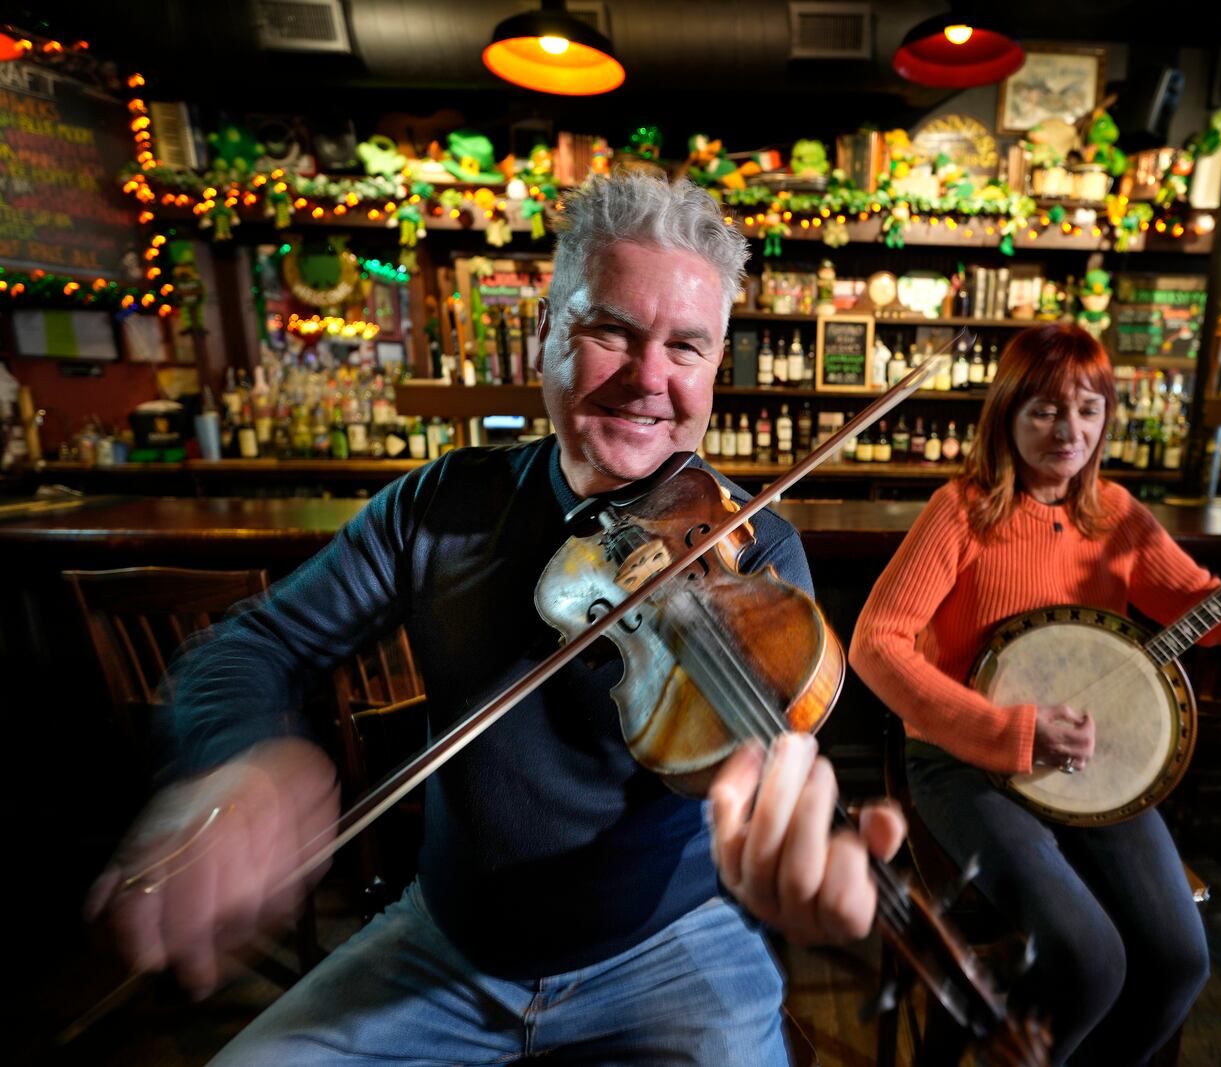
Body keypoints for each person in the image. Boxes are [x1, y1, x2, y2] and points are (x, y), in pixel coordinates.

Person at [87, 172, 904, 1066]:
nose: (648, 380)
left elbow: (747, 764)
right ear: (547, 331)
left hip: (670, 944)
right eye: (610, 331)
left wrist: (775, 829)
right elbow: (257, 642)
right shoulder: (441, 504)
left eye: (687, 348)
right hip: (447, 941)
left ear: (716, 367)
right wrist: (239, 760)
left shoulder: (753, 549)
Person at [849, 324, 1221, 1066]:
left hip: (1086, 760)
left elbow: (1209, 606)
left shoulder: (1117, 515)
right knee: (1088, 955)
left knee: (1178, 960)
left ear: (1107, 416)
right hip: (965, 763)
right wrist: (1006, 729)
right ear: (1005, 412)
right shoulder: (961, 510)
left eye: (1088, 408)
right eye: (1043, 409)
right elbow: (876, 643)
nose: (1067, 431)